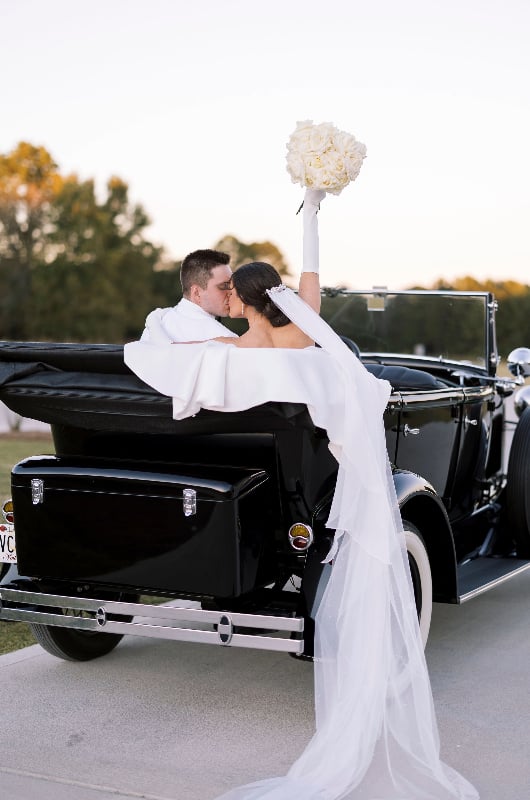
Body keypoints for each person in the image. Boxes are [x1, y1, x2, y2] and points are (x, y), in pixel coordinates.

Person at [140, 248, 237, 343]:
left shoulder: (155, 325)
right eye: (224, 286)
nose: (231, 292)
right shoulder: (225, 339)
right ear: (196, 293)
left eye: (232, 285)